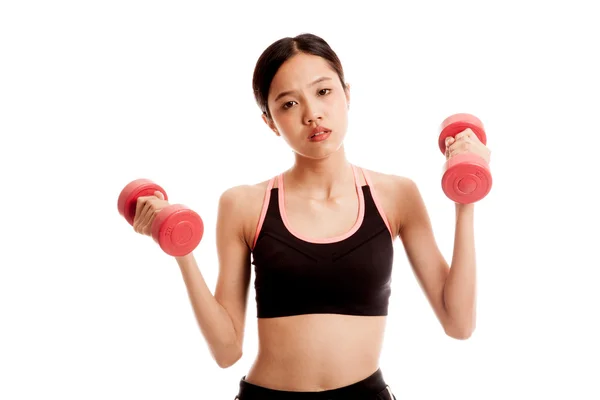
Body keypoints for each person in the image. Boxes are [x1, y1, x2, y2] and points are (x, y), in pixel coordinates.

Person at [131, 33, 491, 399]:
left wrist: (465, 198)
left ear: (346, 94)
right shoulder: (243, 205)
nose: (312, 114)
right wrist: (182, 253)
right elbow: (227, 352)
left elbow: (458, 324)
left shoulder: (397, 196)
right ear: (271, 122)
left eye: (323, 92)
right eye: (288, 104)